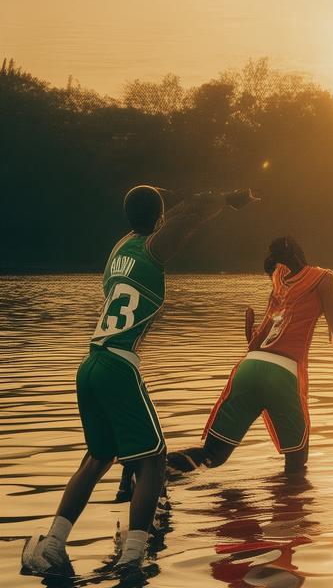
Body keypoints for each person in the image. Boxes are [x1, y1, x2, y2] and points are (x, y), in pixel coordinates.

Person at [21, 186, 258, 576]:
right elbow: (188, 219)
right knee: (155, 459)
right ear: (159, 220)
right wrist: (226, 199)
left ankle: (52, 546)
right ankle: (133, 557)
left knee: (97, 458)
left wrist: (168, 209)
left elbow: (168, 217)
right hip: (118, 364)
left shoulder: (119, 250)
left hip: (91, 362)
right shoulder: (153, 250)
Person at [167, 236, 333, 476]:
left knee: (212, 455)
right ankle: (290, 501)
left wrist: (250, 333)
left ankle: (153, 469)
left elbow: (255, 343)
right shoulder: (323, 278)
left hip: (248, 369)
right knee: (296, 464)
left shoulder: (278, 283)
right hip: (283, 373)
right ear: (300, 253)